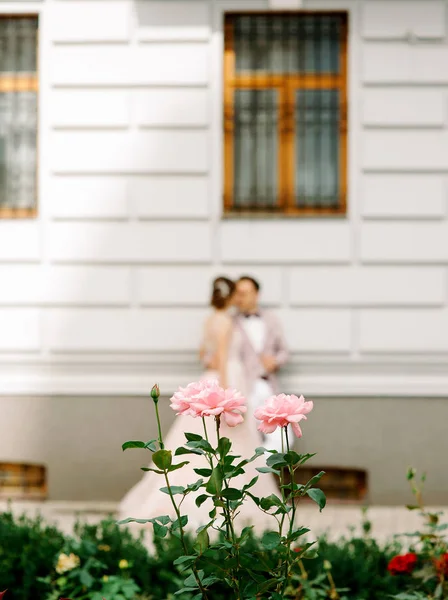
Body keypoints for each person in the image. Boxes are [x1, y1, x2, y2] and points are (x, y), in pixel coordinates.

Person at [118, 276, 279, 535]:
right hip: (226, 380)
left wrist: (213, 365)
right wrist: (227, 396)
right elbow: (224, 358)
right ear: (228, 297)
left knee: (201, 442)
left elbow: (204, 355)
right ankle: (231, 501)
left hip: (210, 379)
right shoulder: (227, 321)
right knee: (229, 442)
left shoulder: (209, 320)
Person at [233, 276, 290, 452]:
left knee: (283, 440)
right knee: (245, 440)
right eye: (237, 293)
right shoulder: (230, 323)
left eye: (244, 293)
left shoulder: (271, 319)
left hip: (267, 385)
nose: (239, 298)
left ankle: (259, 470)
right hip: (243, 388)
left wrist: (275, 361)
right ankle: (255, 475)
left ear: (256, 294)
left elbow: (284, 352)